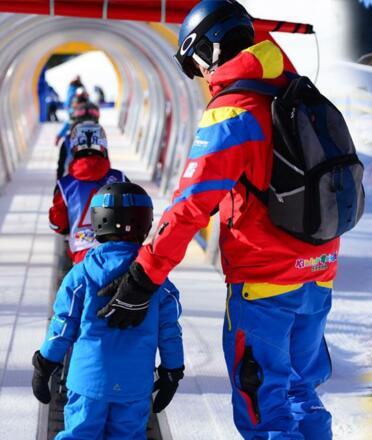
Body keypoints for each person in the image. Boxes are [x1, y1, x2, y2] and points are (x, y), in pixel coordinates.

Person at [99, 1, 341, 436]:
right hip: (319, 275)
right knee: (303, 393)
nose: (201, 78)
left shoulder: (234, 112)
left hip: (263, 285)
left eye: (195, 65)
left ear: (209, 49)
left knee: (264, 410)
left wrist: (143, 278)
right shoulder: (298, 91)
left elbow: (191, 205)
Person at [32, 182, 185, 440]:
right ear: (146, 223)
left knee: (79, 433)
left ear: (97, 221)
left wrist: (45, 363)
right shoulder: (157, 282)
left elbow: (62, 325)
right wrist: (172, 370)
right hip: (135, 385)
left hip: (87, 382)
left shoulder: (80, 275)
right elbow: (170, 331)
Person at [48, 122, 128, 264]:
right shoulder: (119, 178)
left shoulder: (65, 185)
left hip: (82, 254)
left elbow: (58, 223)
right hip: (116, 251)